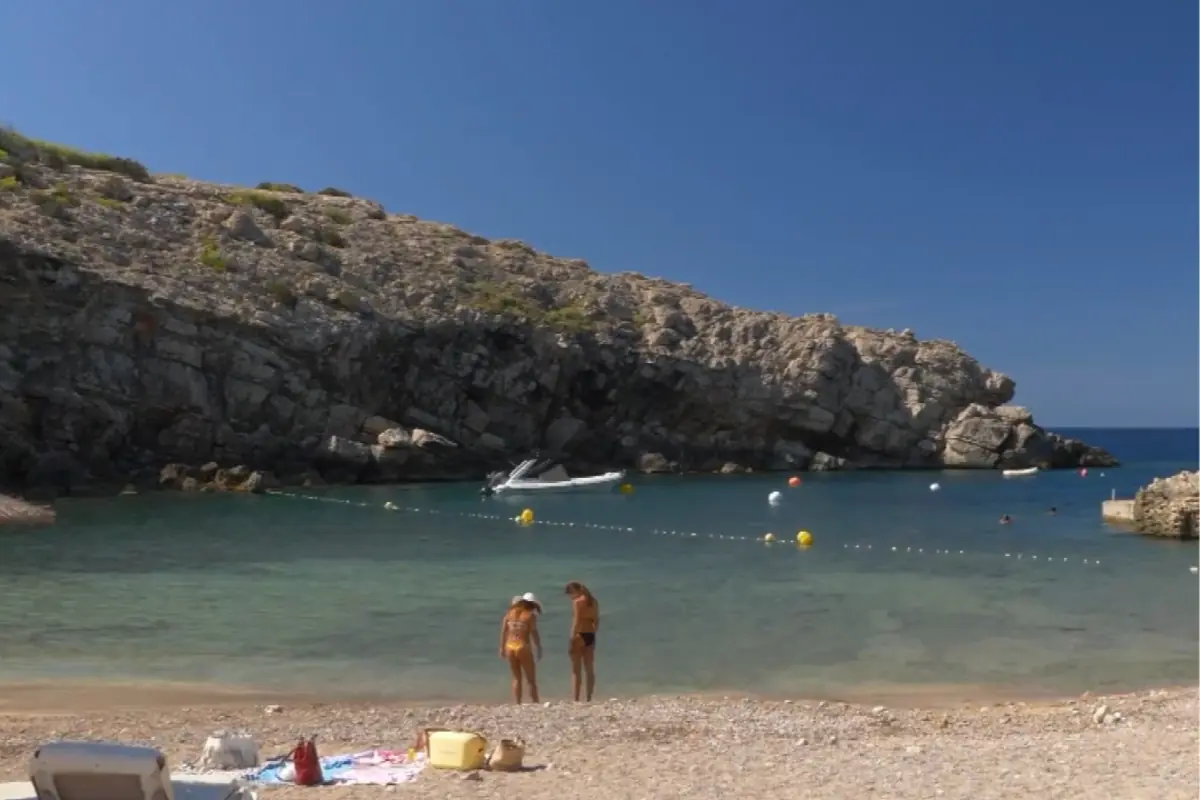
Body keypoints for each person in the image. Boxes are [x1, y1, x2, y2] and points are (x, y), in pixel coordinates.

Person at [499, 594, 542, 704]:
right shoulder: (529, 615)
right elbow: (534, 633)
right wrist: (539, 648)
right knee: (531, 679)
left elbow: (504, 632)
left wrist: (501, 648)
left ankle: (517, 703)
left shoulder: (509, 614)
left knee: (516, 678)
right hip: (523, 646)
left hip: (510, 646)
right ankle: (535, 703)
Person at [564, 581, 600, 702]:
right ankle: (589, 697)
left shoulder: (578, 602)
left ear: (575, 591)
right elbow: (597, 620)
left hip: (579, 634)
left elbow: (576, 621)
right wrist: (593, 633)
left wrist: (571, 637)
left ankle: (576, 698)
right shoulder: (594, 601)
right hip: (590, 635)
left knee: (576, 670)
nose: (571, 597)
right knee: (589, 668)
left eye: (570, 594)